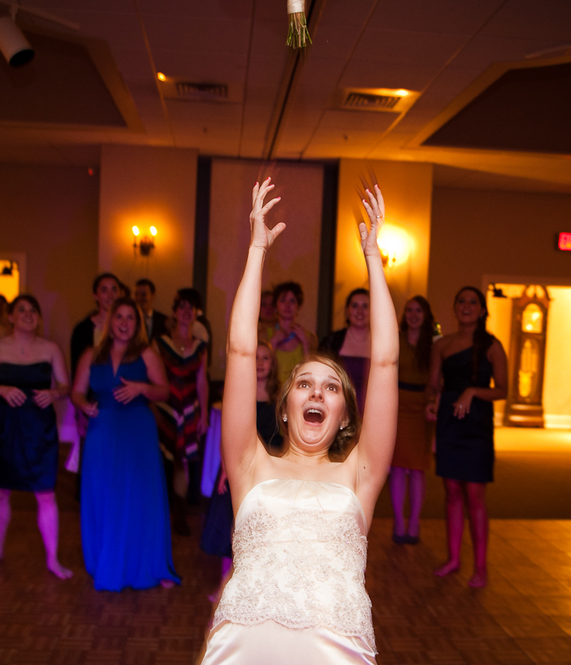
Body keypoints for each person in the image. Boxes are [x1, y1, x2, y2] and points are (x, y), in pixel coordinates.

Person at [201, 179, 397, 664]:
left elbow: (386, 361)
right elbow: (240, 349)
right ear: (286, 405)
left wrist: (373, 257)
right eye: (305, 384)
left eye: (332, 388)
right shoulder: (249, 465)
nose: (316, 393)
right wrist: (256, 249)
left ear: (345, 415)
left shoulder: (360, 474)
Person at [71, 297, 180, 591]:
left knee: (141, 495)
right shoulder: (91, 354)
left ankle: (148, 563)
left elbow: (164, 392)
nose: (124, 322)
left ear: (138, 324)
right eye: (119, 316)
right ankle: (107, 560)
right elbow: (77, 392)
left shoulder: (146, 354)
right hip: (102, 430)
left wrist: (142, 388)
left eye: (130, 317)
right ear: (110, 321)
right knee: (105, 495)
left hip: (137, 431)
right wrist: (84, 405)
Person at [0, 294, 73, 579]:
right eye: (22, 310)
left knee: (45, 492)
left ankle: (52, 559)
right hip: (4, 426)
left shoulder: (51, 348)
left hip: (39, 427)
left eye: (33, 310)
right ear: (11, 317)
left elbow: (65, 386)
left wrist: (53, 393)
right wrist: (1, 389)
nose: (28, 314)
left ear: (38, 317)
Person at [427, 286, 508, 588]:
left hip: (477, 425)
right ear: (455, 307)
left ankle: (481, 567)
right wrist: (432, 402)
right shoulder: (442, 345)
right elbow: (433, 384)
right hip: (450, 422)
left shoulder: (492, 345)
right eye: (461, 301)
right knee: (451, 492)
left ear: (483, 310)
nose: (466, 306)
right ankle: (453, 559)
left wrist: (473, 391)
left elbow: (503, 390)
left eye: (473, 302)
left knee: (474, 495)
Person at [201, 340, 281, 603]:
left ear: (273, 364)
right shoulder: (238, 393)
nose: (260, 362)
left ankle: (262, 591)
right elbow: (227, 436)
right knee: (232, 531)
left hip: (269, 473)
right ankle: (226, 589)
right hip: (239, 470)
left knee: (265, 534)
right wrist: (226, 470)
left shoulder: (281, 398)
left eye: (265, 358)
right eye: (255, 357)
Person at [153, 289, 210, 536]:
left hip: (189, 410)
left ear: (196, 314)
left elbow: (201, 382)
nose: (187, 312)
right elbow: (151, 377)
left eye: (191, 308)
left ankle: (179, 513)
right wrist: (152, 408)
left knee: (182, 462)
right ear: (175, 312)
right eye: (182, 307)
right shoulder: (160, 343)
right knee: (160, 460)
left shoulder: (200, 347)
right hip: (164, 407)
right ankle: (157, 513)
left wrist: (204, 414)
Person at [390, 296, 438, 545]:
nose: (413, 315)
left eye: (418, 310)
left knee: (418, 468)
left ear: (426, 315)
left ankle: (414, 522)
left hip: (423, 406)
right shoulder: (395, 338)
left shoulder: (434, 343)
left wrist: (434, 402)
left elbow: (437, 378)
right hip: (397, 405)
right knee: (398, 466)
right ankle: (399, 521)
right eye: (409, 310)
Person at [319, 288, 371, 413]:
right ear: (347, 311)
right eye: (355, 306)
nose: (360, 311)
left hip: (372, 411)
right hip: (337, 410)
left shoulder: (381, 344)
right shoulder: (332, 341)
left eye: (365, 306)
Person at [263, 281, 317, 382]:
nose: (287, 305)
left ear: (298, 306)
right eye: (282, 300)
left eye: (292, 301)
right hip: (272, 390)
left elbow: (313, 373)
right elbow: (259, 369)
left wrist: (305, 343)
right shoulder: (264, 335)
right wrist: (273, 342)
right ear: (276, 306)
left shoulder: (310, 338)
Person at [70, 273, 120, 378]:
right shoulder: (82, 330)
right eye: (104, 290)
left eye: (114, 290)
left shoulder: (127, 326)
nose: (110, 295)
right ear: (95, 295)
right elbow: (77, 371)